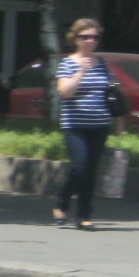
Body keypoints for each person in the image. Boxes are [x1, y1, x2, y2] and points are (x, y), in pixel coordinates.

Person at [53, 17, 119, 231]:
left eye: (94, 37)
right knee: (79, 167)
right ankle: (62, 200)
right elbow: (65, 92)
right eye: (85, 37)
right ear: (75, 39)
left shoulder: (103, 64)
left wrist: (119, 122)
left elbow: (113, 94)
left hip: (100, 125)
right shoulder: (67, 63)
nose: (90, 41)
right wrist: (81, 71)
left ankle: (83, 216)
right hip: (75, 125)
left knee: (90, 171)